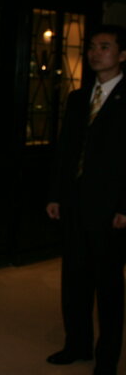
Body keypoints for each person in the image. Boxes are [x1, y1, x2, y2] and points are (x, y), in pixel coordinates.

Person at [45, 25, 126, 375]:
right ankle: (75, 344)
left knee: (108, 286)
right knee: (74, 280)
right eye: (92, 47)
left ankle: (106, 357)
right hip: (75, 204)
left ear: (122, 55)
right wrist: (56, 195)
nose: (95, 53)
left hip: (111, 208)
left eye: (105, 47)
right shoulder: (79, 98)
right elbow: (65, 152)